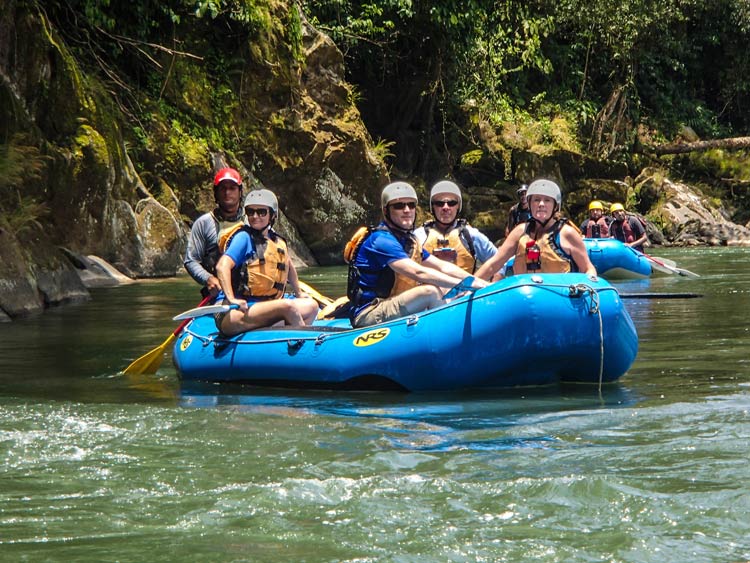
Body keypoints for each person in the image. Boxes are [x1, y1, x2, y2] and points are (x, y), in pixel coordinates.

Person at [348, 181, 488, 328]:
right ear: (386, 211)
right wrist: (465, 285)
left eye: (411, 205)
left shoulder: (409, 241)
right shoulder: (380, 240)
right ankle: (448, 334)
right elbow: (418, 272)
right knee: (430, 291)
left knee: (444, 289)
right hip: (368, 314)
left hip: (392, 303)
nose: (407, 210)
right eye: (399, 206)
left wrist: (480, 283)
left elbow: (443, 267)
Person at [214, 189, 319, 336]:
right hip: (236, 311)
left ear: (272, 215)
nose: (255, 216)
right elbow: (222, 266)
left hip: (263, 308)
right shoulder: (244, 237)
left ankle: (283, 340)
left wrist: (299, 293)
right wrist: (231, 298)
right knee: (287, 306)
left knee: (312, 306)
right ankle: (303, 343)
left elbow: (288, 267)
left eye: (261, 212)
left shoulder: (276, 241)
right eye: (250, 212)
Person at [475, 179, 598, 280]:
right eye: (536, 199)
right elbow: (494, 264)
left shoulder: (567, 233)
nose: (541, 204)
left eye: (547, 200)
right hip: (524, 299)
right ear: (529, 203)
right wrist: (469, 286)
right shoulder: (520, 232)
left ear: (555, 206)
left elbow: (588, 268)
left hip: (559, 300)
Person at [184, 167, 246, 297]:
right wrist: (208, 279)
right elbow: (191, 260)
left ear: (240, 192)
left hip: (251, 290)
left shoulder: (252, 220)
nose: (227, 192)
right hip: (219, 293)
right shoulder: (204, 223)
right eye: (223, 188)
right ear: (216, 193)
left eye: (232, 188)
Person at [414, 180, 497, 273]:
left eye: (452, 203)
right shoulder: (418, 236)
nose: (445, 207)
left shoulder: (470, 235)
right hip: (427, 287)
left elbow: (499, 262)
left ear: (458, 206)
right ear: (432, 207)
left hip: (465, 287)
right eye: (439, 203)